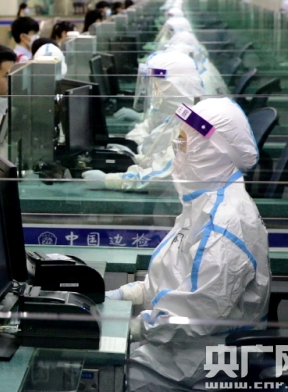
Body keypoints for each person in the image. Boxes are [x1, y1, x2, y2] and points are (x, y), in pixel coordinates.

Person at [109, 98, 269, 392]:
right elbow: (176, 281)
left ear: (210, 152)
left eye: (183, 144)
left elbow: (194, 314)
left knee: (99, 372)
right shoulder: (204, 203)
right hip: (174, 346)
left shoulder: (223, 226)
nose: (176, 151)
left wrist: (132, 327)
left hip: (197, 363)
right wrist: (129, 294)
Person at [83, 51, 205, 192]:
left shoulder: (194, 125)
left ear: (173, 87)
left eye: (156, 86)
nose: (152, 92)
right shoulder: (185, 115)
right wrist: (134, 158)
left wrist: (110, 181)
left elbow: (165, 175)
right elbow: (164, 158)